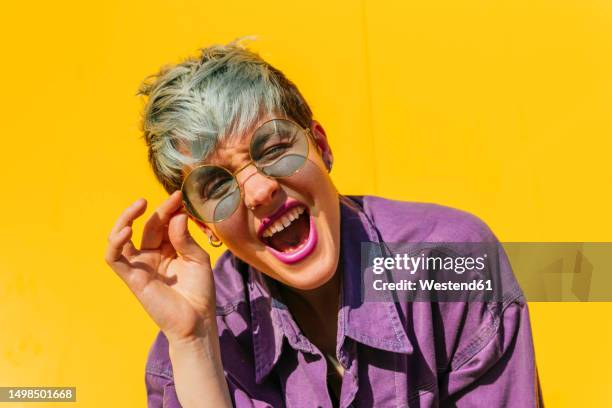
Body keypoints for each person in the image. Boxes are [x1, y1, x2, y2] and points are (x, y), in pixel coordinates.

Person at [105, 40, 542, 407]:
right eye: (217, 185)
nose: (259, 192)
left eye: (273, 148)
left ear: (321, 146)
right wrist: (195, 345)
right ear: (204, 227)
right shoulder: (184, 347)